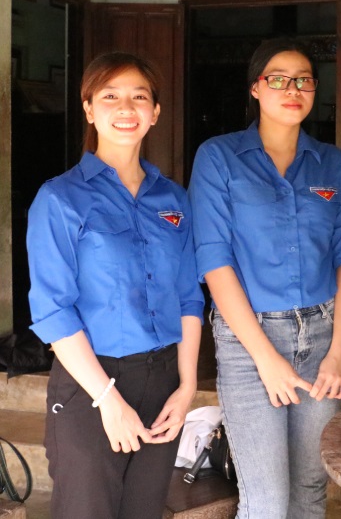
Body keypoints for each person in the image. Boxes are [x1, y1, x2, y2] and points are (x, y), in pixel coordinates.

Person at [188, 38, 341, 519]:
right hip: (249, 341)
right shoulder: (219, 157)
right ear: (256, 88)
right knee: (266, 501)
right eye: (278, 79)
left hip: (322, 337)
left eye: (304, 79)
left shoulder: (333, 163)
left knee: (309, 489)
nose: (293, 89)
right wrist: (265, 358)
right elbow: (214, 260)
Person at [26, 52, 204, 519]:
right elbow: (53, 311)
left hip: (163, 379)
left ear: (155, 112)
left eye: (139, 97)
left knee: (144, 511)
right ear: (89, 109)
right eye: (110, 96)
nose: (126, 108)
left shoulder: (173, 198)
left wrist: (186, 387)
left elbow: (188, 296)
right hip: (90, 382)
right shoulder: (60, 198)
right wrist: (108, 400)